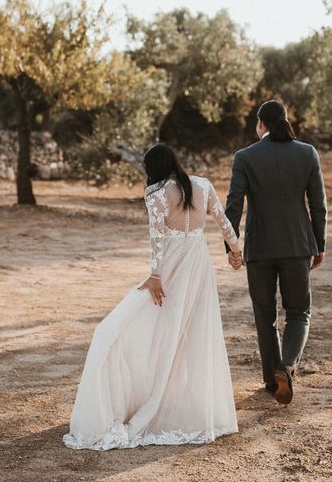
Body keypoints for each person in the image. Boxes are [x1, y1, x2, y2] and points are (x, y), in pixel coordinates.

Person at [63, 144, 244, 450]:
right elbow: (224, 223)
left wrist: (155, 275)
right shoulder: (203, 184)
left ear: (153, 168)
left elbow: (156, 238)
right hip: (199, 265)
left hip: (172, 268)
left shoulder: (157, 194)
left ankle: (148, 400)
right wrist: (236, 252)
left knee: (136, 329)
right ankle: (178, 402)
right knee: (189, 332)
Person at [225, 100, 327, 404]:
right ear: (284, 121)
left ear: (260, 123)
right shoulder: (307, 153)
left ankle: (272, 380)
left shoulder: (244, 157)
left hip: (260, 248)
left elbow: (234, 204)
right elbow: (318, 205)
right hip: (297, 245)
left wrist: (232, 246)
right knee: (298, 312)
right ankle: (288, 366)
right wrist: (319, 244)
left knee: (264, 315)